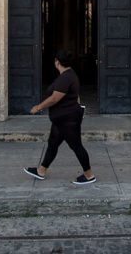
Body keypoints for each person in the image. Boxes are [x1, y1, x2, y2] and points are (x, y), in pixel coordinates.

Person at [24, 50, 96, 185]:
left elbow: (55, 98)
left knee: (76, 146)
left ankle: (89, 175)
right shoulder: (69, 75)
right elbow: (76, 96)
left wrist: (38, 107)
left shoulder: (66, 77)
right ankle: (41, 170)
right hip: (62, 119)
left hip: (67, 120)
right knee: (53, 143)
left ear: (57, 62)